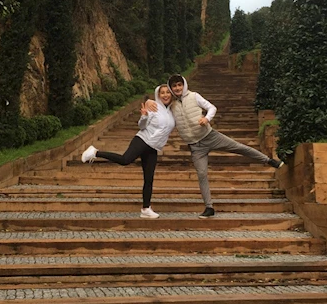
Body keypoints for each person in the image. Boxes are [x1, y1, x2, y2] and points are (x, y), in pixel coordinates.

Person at [146, 73, 282, 219]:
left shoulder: (194, 96)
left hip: (210, 136)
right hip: (195, 146)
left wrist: (206, 118)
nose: (177, 88)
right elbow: (160, 101)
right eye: (174, 86)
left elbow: (212, 107)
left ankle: (269, 161)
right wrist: (148, 101)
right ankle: (209, 207)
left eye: (179, 85)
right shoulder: (171, 103)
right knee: (202, 174)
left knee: (239, 147)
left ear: (184, 85)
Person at [81, 84, 175, 219]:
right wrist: (144, 116)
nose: (165, 95)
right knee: (125, 160)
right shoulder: (153, 107)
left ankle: (146, 209)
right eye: (162, 93)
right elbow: (142, 126)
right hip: (142, 140)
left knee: (149, 178)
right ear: (158, 95)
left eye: (168, 92)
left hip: (153, 147)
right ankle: (95, 152)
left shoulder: (172, 112)